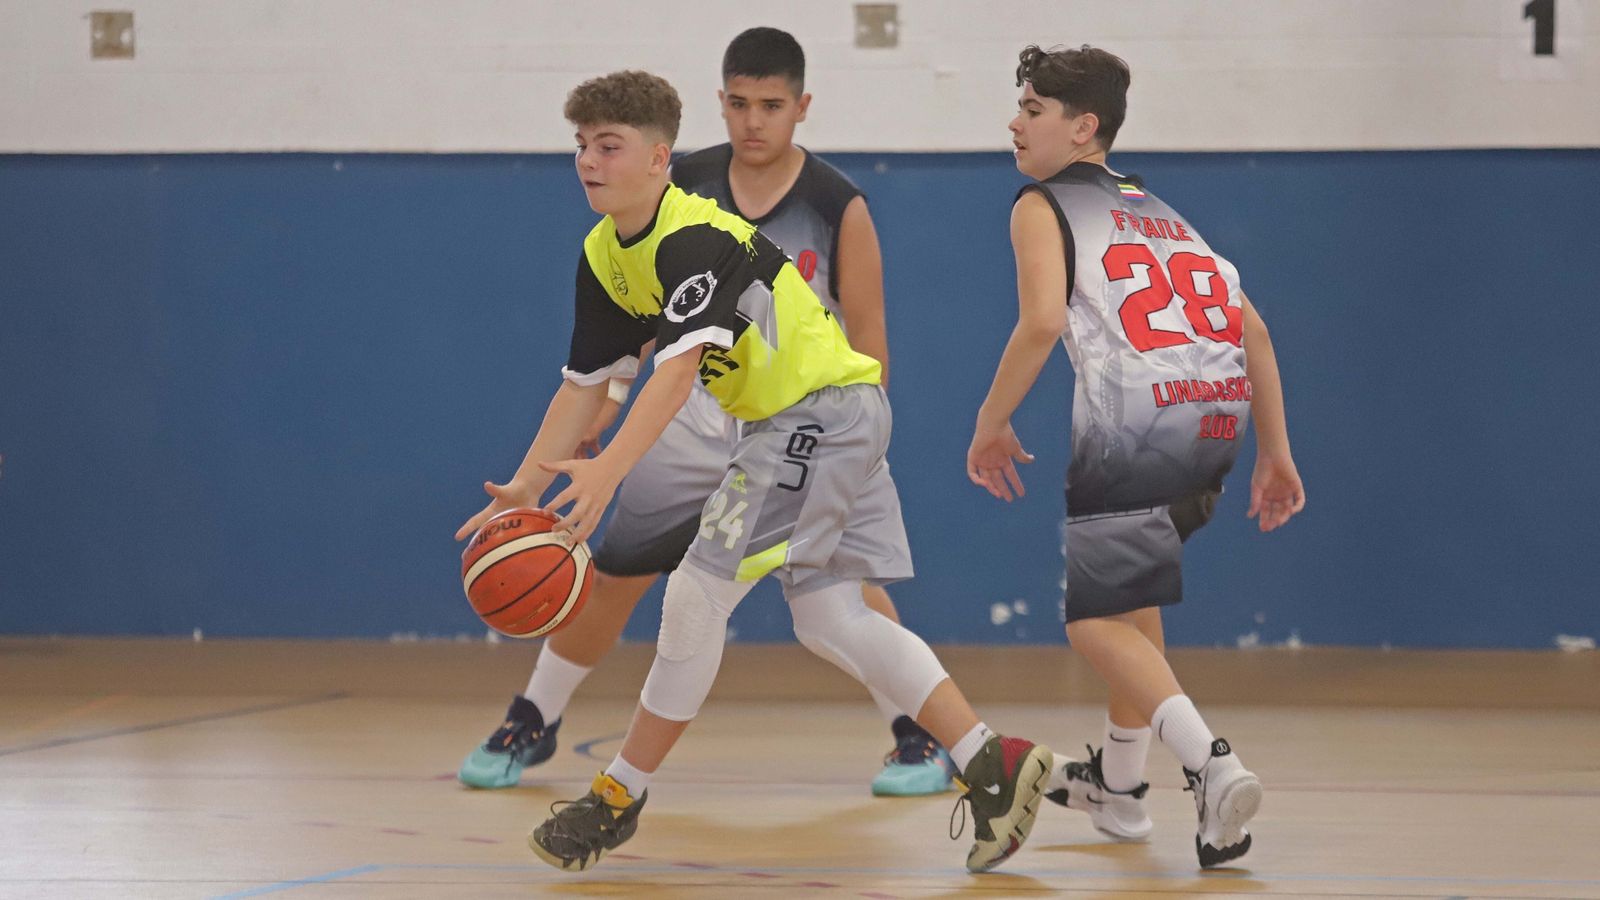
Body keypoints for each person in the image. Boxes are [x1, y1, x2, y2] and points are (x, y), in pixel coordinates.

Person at [456, 69, 1051, 874]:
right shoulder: (603, 253)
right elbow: (584, 384)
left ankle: (617, 796)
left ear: (659, 157)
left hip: (814, 415)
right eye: (581, 146)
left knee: (697, 595)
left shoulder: (694, 237)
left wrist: (609, 473)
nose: (589, 162)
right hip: (822, 418)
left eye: (609, 146)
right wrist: (527, 485)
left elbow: (675, 372)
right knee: (830, 618)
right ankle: (992, 760)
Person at [966, 44, 1305, 868]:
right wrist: (1275, 451)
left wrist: (990, 421)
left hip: (1138, 423)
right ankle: (1119, 791)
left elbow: (1042, 322)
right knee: (1131, 606)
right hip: (1213, 416)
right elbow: (1255, 332)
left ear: (1083, 127)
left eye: (1033, 110)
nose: (1015, 123)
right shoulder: (1159, 210)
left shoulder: (1040, 203)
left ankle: (1212, 767)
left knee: (1091, 623)